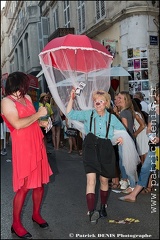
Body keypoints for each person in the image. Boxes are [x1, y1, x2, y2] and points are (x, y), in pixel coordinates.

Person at [1, 72, 53, 239]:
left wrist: (42, 122)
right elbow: (17, 123)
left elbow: (30, 121)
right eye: (26, 84)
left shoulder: (27, 99)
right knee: (24, 187)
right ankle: (15, 224)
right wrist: (38, 115)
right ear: (18, 84)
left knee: (39, 184)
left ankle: (36, 215)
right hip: (23, 146)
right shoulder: (6, 101)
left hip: (36, 142)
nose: (28, 87)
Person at [66, 89, 126, 224]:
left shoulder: (112, 118)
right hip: (90, 148)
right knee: (91, 181)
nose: (96, 103)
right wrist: (72, 98)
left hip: (106, 149)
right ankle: (91, 211)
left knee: (104, 181)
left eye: (99, 101)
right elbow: (70, 114)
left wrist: (120, 138)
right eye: (95, 101)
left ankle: (103, 206)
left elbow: (122, 131)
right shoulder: (89, 114)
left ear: (105, 103)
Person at [119, 88, 159, 202]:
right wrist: (151, 136)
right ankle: (133, 195)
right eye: (158, 96)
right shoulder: (153, 110)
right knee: (145, 168)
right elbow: (148, 128)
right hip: (154, 144)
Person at [116, 91, 137, 192]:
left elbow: (124, 129)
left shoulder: (124, 112)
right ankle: (129, 183)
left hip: (125, 140)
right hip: (129, 139)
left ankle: (132, 185)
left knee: (126, 162)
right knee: (126, 162)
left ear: (125, 100)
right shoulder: (128, 111)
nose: (117, 100)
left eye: (120, 98)